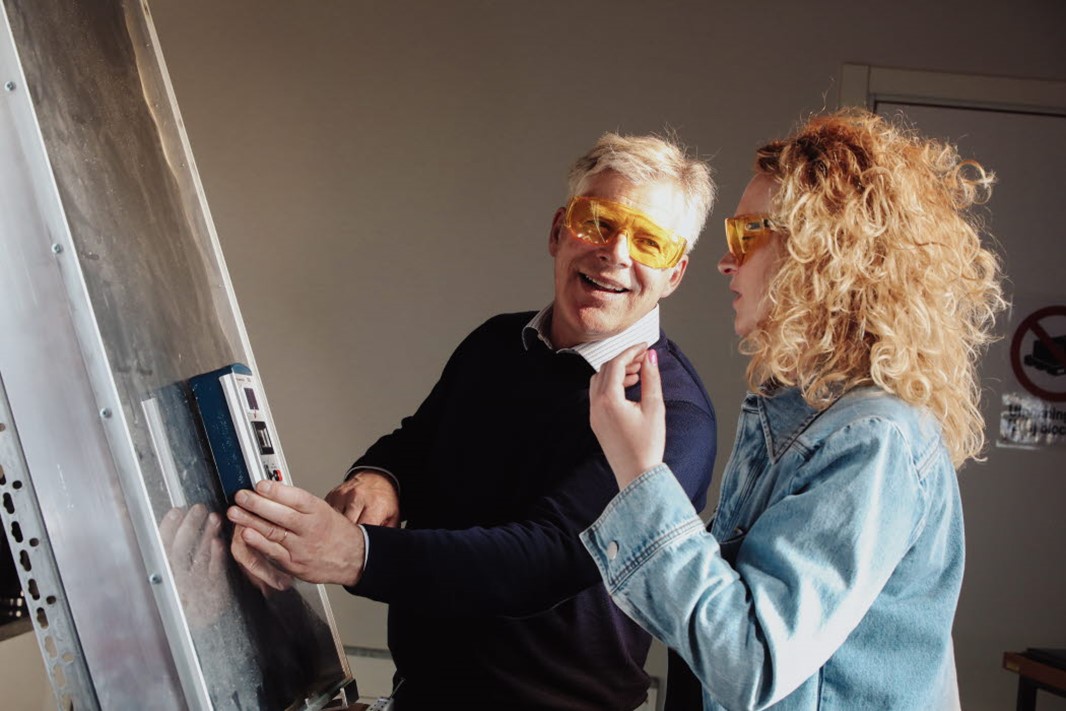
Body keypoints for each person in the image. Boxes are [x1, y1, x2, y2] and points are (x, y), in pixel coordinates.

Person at [227, 133, 720, 710]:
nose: (616, 253)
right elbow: (419, 443)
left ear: (674, 274)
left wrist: (356, 554)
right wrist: (382, 477)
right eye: (598, 222)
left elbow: (548, 558)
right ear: (558, 231)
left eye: (649, 242)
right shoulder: (496, 343)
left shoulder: (673, 417)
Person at [582, 108, 1006, 710]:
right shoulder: (795, 414)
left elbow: (750, 662)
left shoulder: (872, 439)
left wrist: (641, 476)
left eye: (748, 235)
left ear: (824, 255)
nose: (726, 261)